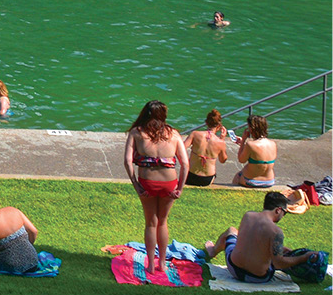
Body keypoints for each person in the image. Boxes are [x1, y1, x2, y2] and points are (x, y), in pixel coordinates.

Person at [123, 100, 189, 274]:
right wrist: (180, 188)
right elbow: (185, 164)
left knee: (151, 223)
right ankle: (162, 263)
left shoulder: (137, 132)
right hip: (169, 183)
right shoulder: (173, 134)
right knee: (163, 222)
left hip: (147, 182)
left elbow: (128, 161)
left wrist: (136, 185)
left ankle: (151, 264)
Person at [205, 191, 316, 284]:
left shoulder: (248, 216)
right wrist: (304, 257)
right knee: (284, 258)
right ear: (278, 210)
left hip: (233, 268)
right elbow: (278, 263)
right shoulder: (276, 232)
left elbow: (252, 240)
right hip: (256, 278)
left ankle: (213, 251)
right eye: (285, 212)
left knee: (231, 230)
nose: (283, 216)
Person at [184, 109, 229, 187]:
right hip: (207, 178)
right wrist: (222, 139)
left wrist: (188, 161)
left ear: (206, 123)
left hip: (192, 174)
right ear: (219, 126)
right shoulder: (220, 142)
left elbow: (181, 148)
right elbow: (223, 160)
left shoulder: (195, 134)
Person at [233, 114, 278, 187]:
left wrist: (243, 140)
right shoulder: (273, 144)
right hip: (269, 181)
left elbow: (241, 159)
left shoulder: (250, 145)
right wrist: (242, 144)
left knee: (237, 176)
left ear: (252, 129)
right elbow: (260, 154)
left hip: (252, 181)